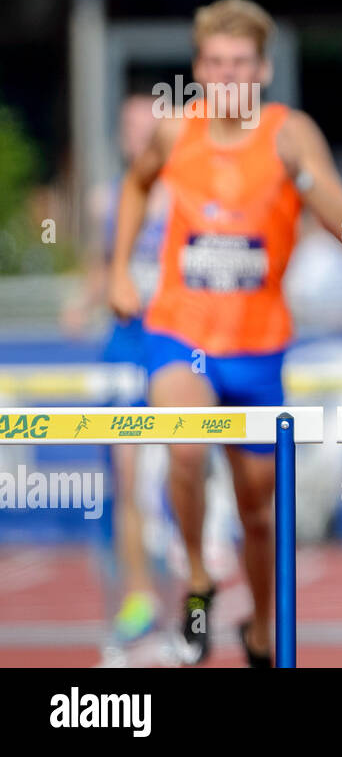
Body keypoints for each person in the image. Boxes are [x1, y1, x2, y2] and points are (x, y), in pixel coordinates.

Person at [109, 0, 342, 666]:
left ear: (263, 68)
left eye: (241, 64)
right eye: (216, 64)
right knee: (185, 449)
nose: (228, 77)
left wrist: (305, 177)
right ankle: (197, 577)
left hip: (257, 348)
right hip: (179, 334)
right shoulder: (173, 132)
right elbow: (135, 188)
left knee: (258, 513)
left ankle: (260, 631)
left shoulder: (289, 132)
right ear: (198, 69)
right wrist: (118, 271)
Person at [64, 94, 171, 646]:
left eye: (145, 127)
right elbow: (100, 268)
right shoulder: (107, 199)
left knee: (186, 469)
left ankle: (195, 576)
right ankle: (138, 591)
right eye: (128, 127)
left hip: (176, 351)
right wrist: (84, 302)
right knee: (127, 477)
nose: (137, 136)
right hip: (123, 353)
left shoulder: (180, 197)